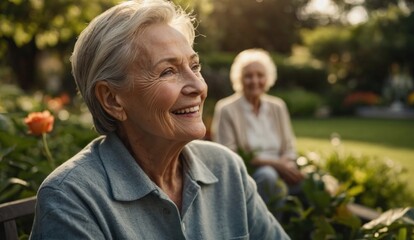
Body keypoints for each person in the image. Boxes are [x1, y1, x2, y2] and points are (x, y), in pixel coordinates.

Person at [29, 1, 290, 239]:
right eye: (168, 71)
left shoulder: (226, 168)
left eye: (195, 66)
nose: (198, 86)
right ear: (112, 99)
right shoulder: (71, 198)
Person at [211, 48, 305, 219]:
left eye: (260, 75)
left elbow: (289, 145)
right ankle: (272, 231)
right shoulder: (226, 109)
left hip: (281, 170)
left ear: (268, 78)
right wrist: (276, 165)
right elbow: (230, 154)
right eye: (248, 76)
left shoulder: (278, 106)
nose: (255, 81)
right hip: (250, 173)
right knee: (268, 176)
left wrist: (287, 164)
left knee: (314, 182)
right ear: (239, 79)